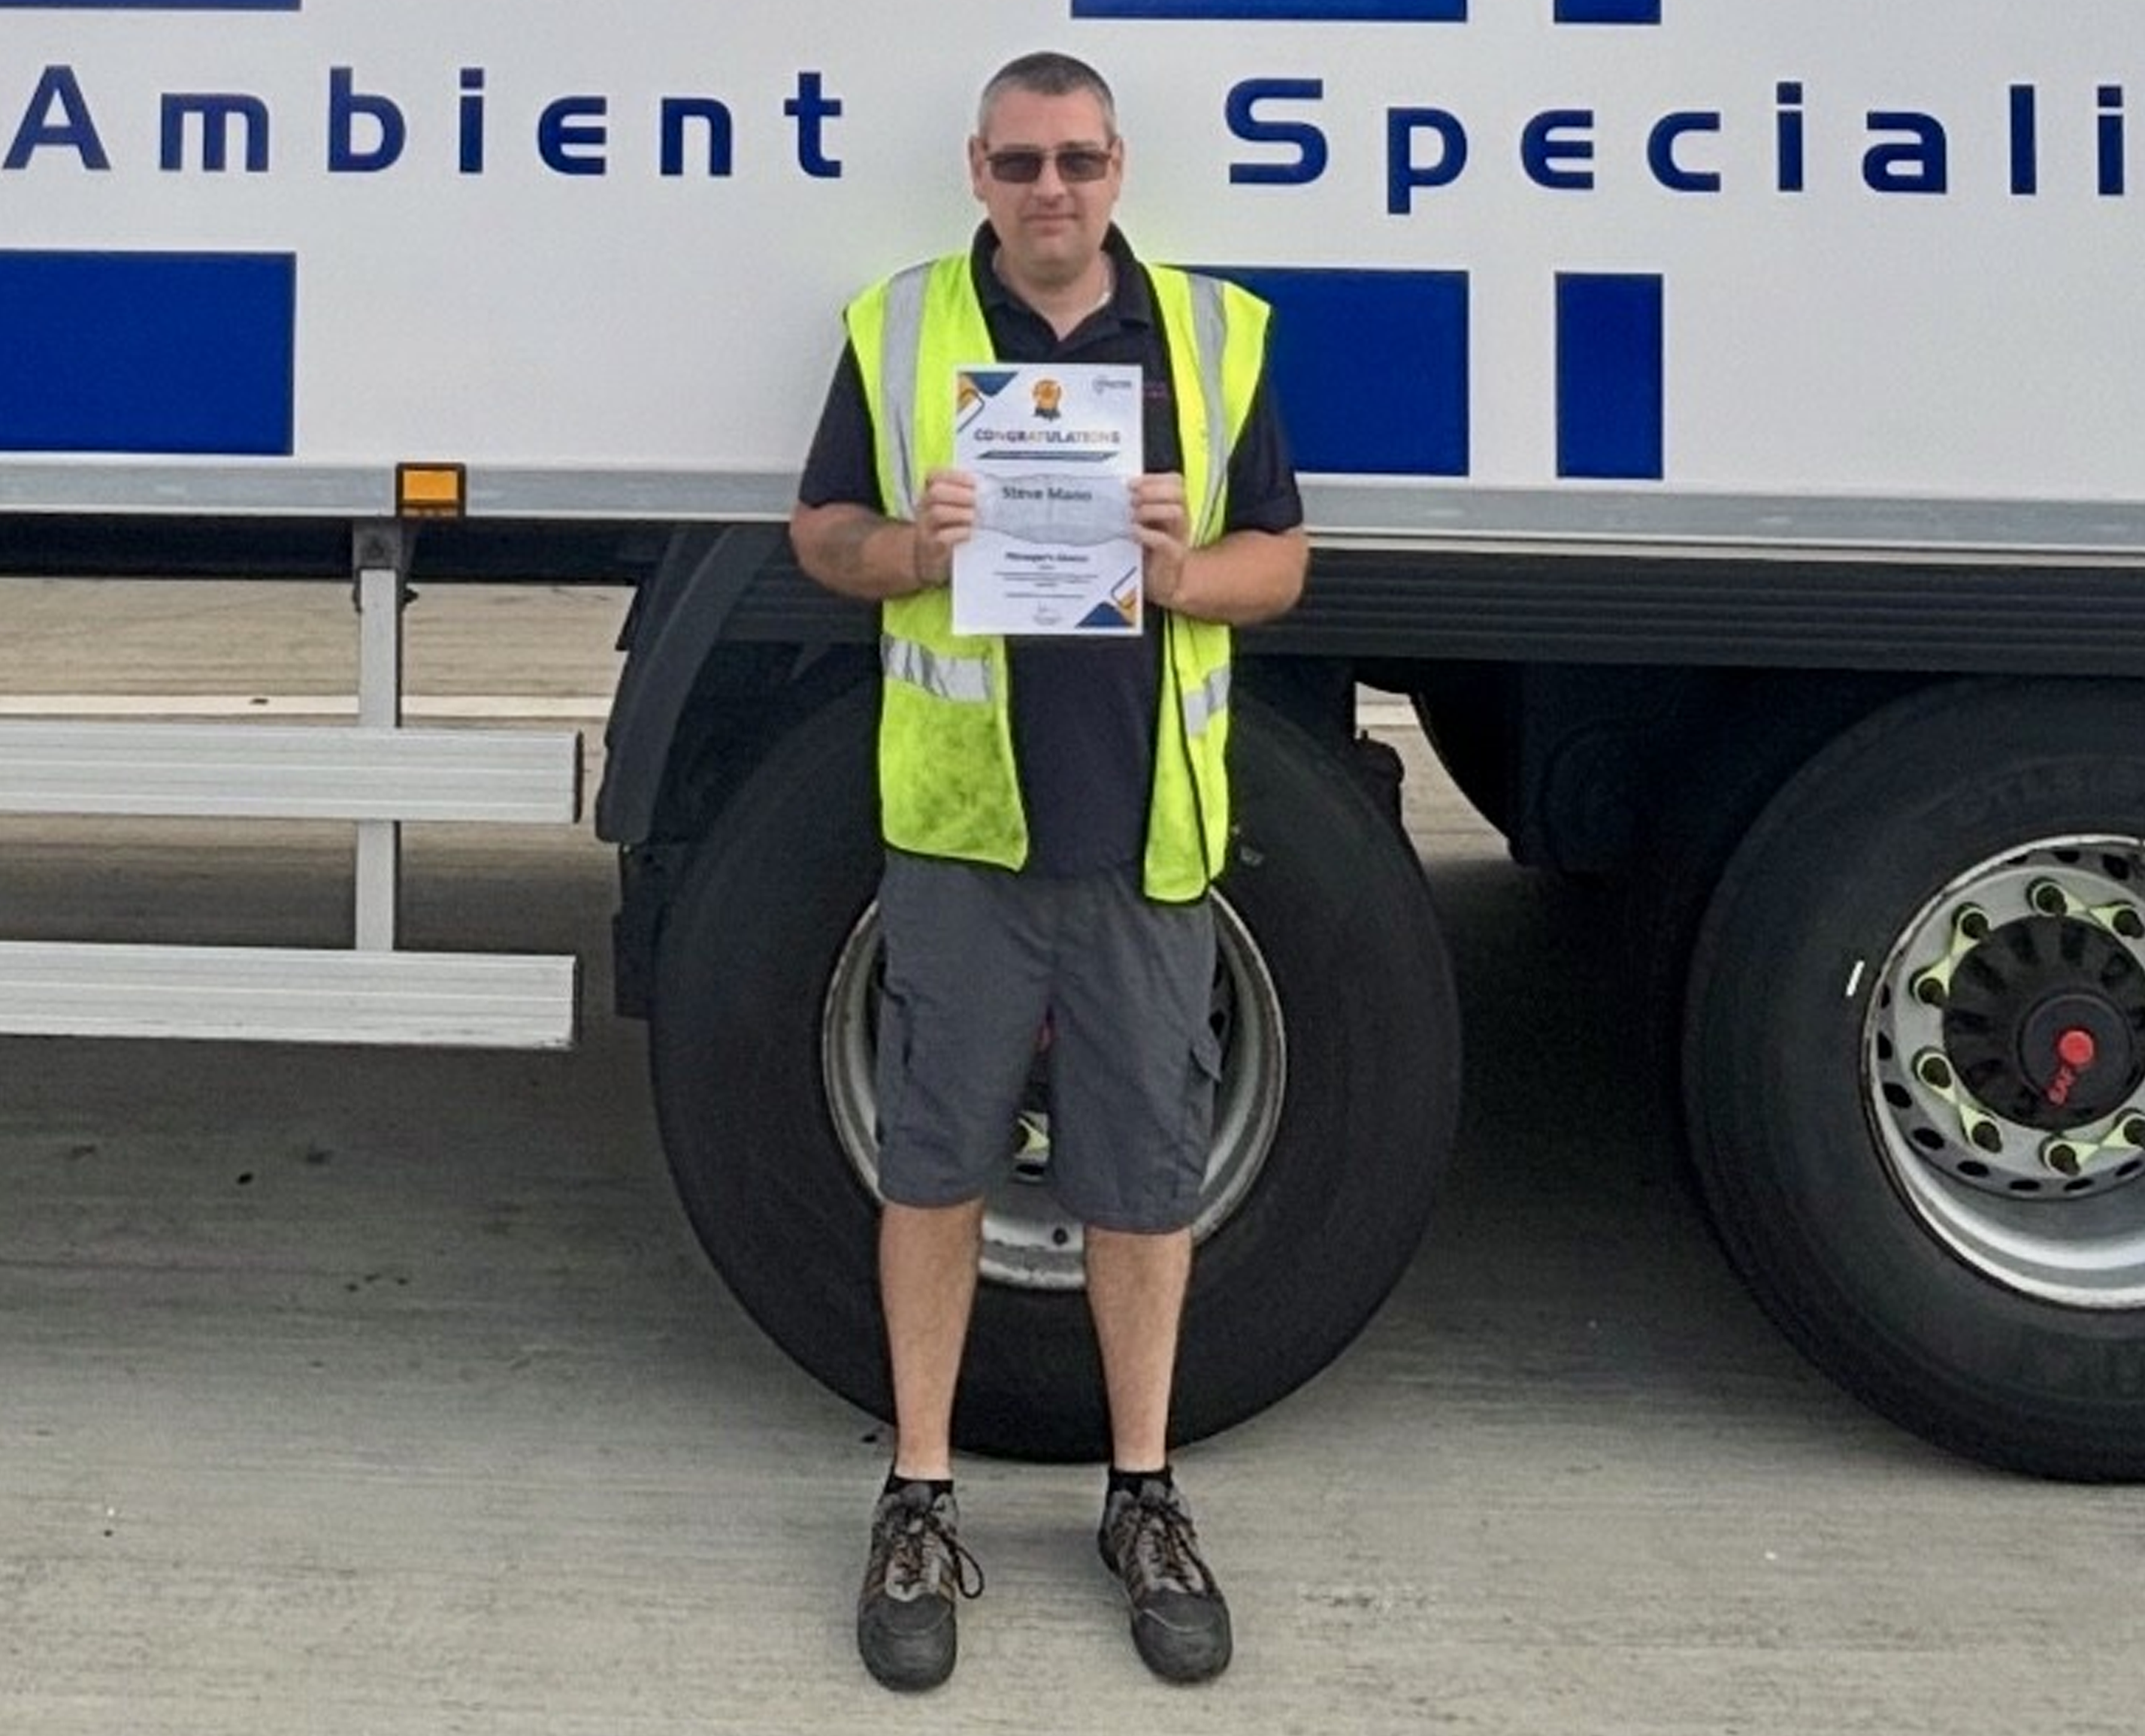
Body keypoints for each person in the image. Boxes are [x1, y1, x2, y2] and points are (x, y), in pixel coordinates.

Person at [788, 48, 1307, 1692]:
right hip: (964, 838)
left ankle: (1141, 1494)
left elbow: (1282, 559)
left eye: (1075, 160)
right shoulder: (902, 330)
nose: (1049, 190)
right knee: (932, 1163)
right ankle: (918, 1493)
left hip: (1145, 838)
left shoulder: (1208, 337)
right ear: (977, 172)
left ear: (1116, 167)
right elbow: (819, 533)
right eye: (1018, 163)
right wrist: (911, 549)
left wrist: (1181, 572)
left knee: (1142, 1180)